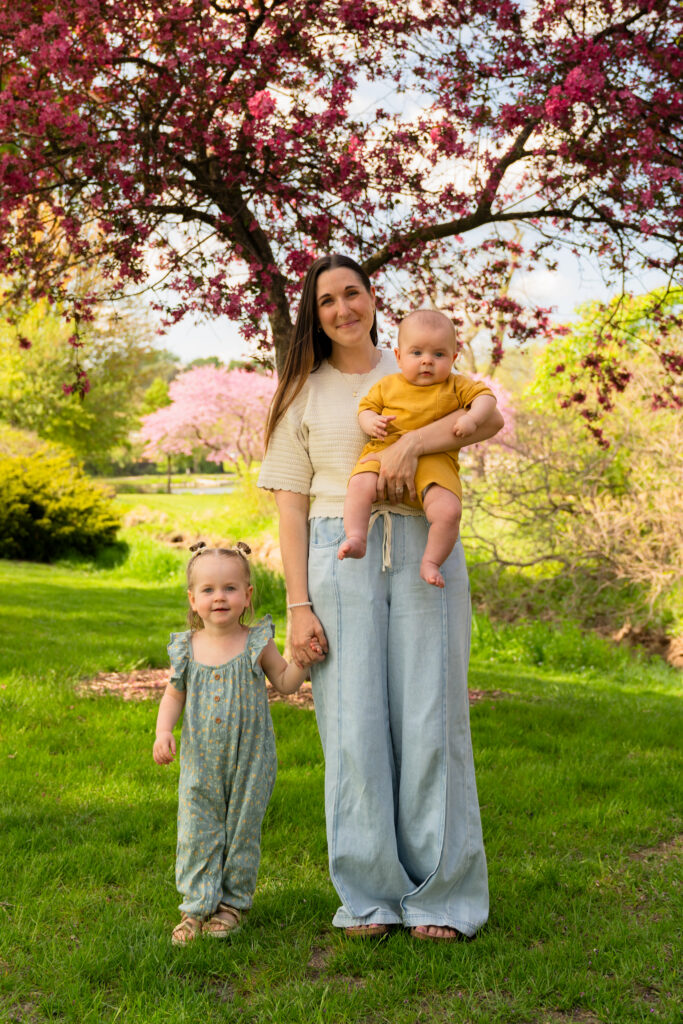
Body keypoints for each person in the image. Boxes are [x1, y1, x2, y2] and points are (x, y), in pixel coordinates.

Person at [258, 254, 503, 942]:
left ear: (372, 299)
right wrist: (299, 603)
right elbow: (289, 505)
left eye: (353, 293)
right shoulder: (301, 391)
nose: (342, 308)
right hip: (343, 553)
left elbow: (484, 421)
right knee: (352, 725)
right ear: (315, 312)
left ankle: (443, 897)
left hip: (427, 547)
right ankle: (368, 894)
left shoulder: (424, 369)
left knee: (434, 719)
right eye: (327, 299)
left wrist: (410, 447)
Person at [152, 541, 324, 946]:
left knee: (242, 831)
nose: (219, 597)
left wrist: (302, 659)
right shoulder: (187, 649)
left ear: (247, 596)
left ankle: (232, 905)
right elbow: (173, 695)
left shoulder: (255, 641)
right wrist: (164, 732)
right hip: (200, 762)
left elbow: (284, 682)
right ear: (193, 600)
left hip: (251, 759)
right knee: (198, 831)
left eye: (230, 588)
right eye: (209, 590)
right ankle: (195, 907)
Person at [339, 308, 496, 587]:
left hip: (437, 460)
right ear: (398, 357)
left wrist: (471, 418)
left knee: (449, 511)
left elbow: (486, 398)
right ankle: (356, 536)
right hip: (385, 448)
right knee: (360, 483)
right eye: (417, 353)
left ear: (453, 359)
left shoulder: (455, 385)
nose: (427, 361)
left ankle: (431, 561)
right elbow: (365, 409)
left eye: (438, 354)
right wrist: (371, 422)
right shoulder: (387, 385)